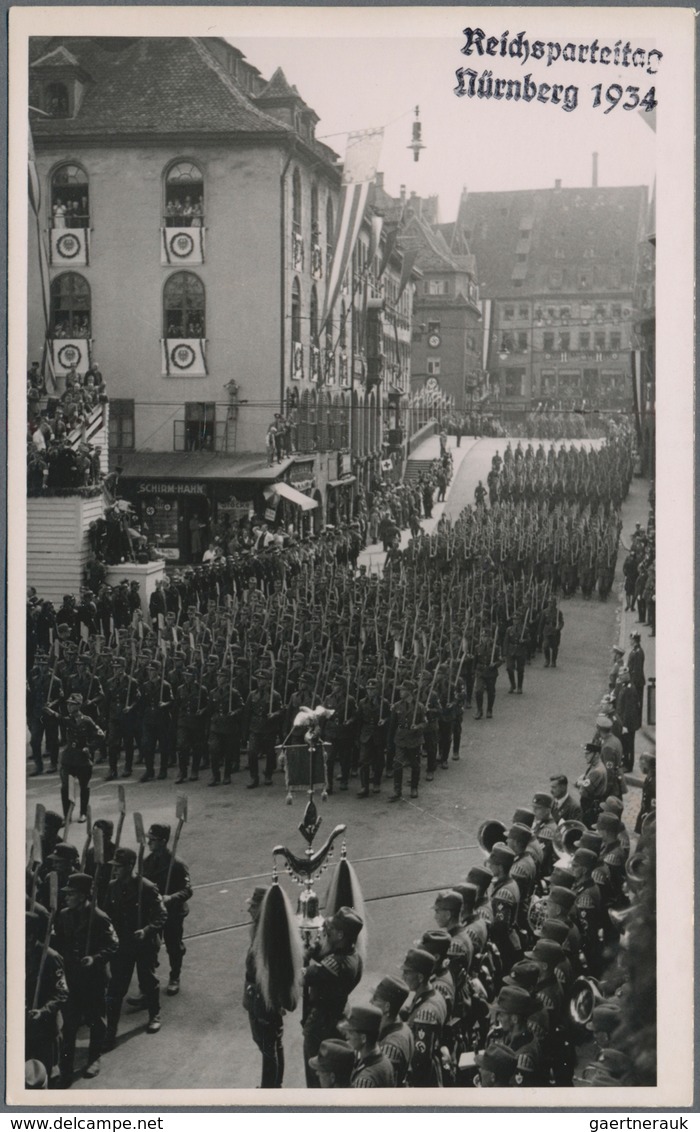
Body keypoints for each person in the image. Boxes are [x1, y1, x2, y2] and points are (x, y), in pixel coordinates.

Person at [54, 873, 119, 1085]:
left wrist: (95, 958)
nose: (67, 897)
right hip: (72, 977)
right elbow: (60, 942)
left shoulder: (99, 917)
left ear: (83, 896)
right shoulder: (63, 915)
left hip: (94, 979)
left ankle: (94, 1058)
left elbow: (113, 945)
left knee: (96, 1021)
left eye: (71, 894)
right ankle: (65, 1068)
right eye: (66, 894)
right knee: (69, 1024)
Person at [104, 847, 167, 1048]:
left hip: (143, 943)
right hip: (122, 945)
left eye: (119, 867)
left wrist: (147, 930)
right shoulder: (111, 887)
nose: (115, 870)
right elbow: (107, 915)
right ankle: (111, 1030)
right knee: (115, 988)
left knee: (148, 980)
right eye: (114, 866)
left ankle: (154, 1015)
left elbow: (161, 915)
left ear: (130, 866)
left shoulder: (146, 887)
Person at [302, 907, 364, 1088]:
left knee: (317, 1075)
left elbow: (301, 977)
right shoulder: (354, 957)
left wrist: (308, 951)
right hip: (338, 1015)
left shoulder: (335, 964)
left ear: (340, 936)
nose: (327, 933)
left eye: (331, 931)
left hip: (320, 1024)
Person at [141, 823, 193, 997]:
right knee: (150, 948)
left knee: (173, 946)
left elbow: (187, 890)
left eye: (153, 840)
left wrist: (171, 898)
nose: (149, 843)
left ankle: (174, 976)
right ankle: (149, 983)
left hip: (172, 913)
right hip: (154, 913)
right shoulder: (147, 862)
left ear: (163, 841)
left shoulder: (176, 864)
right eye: (149, 839)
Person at [243, 886, 285, 1088]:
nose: (249, 910)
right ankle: (274, 1085)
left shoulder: (266, 934)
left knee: (268, 1046)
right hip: (262, 996)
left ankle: (269, 1089)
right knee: (273, 1044)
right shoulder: (265, 928)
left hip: (262, 997)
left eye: (253, 906)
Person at [400, 947, 447, 1087]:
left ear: (420, 977)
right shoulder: (434, 994)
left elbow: (420, 1061)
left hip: (425, 1081)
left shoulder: (425, 1013)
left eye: (407, 973)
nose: (403, 977)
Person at [370, 976, 414, 1086]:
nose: (370, 1001)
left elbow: (383, 1084)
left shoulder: (390, 1046)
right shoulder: (404, 1028)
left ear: (386, 1007)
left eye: (375, 999)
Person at [387, 678, 426, 802]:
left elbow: (425, 723)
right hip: (400, 737)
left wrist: (418, 726)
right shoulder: (397, 706)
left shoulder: (419, 707)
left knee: (415, 764)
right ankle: (397, 790)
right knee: (397, 764)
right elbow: (392, 725)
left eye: (403, 690)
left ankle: (414, 787)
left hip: (414, 739)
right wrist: (389, 741)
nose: (400, 692)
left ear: (409, 691)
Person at [339, 1004, 395, 1088]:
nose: (347, 1037)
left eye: (350, 1032)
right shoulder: (384, 1060)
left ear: (363, 1038)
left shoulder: (364, 1080)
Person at [474, 631, 502, 720]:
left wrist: (495, 664)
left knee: (491, 692)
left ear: (489, 638)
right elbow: (475, 661)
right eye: (482, 636)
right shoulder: (477, 647)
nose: (484, 638)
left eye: (486, 636)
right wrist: (473, 672)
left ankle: (489, 710)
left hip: (491, 673)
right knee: (478, 691)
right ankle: (479, 710)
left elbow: (500, 661)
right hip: (481, 672)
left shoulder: (495, 648)